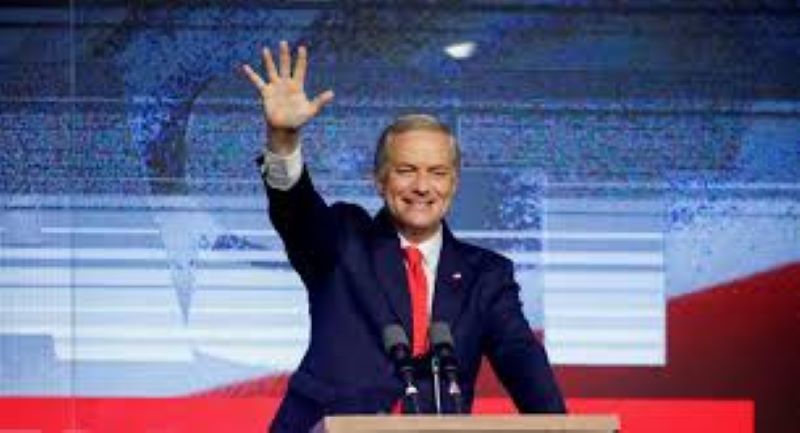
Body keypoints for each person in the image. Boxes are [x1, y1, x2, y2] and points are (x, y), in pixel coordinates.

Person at [242, 41, 565, 433]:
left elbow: (521, 358)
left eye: (437, 172)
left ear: (454, 183)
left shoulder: (486, 274)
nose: (422, 186)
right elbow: (295, 210)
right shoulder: (344, 239)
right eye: (406, 170)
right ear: (380, 180)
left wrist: (563, 428)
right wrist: (283, 140)